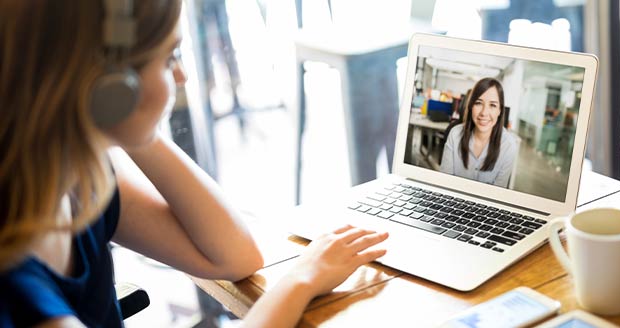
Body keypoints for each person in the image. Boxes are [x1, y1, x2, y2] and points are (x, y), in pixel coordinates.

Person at [0, 1, 388, 327]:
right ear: (110, 83)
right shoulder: (16, 280)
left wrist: (129, 122)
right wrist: (302, 278)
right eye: (170, 57)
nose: (182, 76)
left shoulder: (81, 180)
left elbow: (233, 255)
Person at [440, 77, 520, 188]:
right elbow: (444, 182)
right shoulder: (455, 135)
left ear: (500, 110)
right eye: (478, 103)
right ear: (471, 106)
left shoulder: (508, 146)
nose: (484, 113)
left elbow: (498, 194)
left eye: (492, 105)